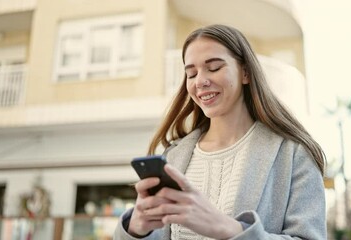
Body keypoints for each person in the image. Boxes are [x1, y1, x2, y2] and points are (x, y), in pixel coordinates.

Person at [114, 24, 326, 240]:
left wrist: (230, 229)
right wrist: (137, 231)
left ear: (245, 73)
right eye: (191, 73)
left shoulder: (294, 155)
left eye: (214, 68)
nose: (200, 81)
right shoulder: (173, 157)